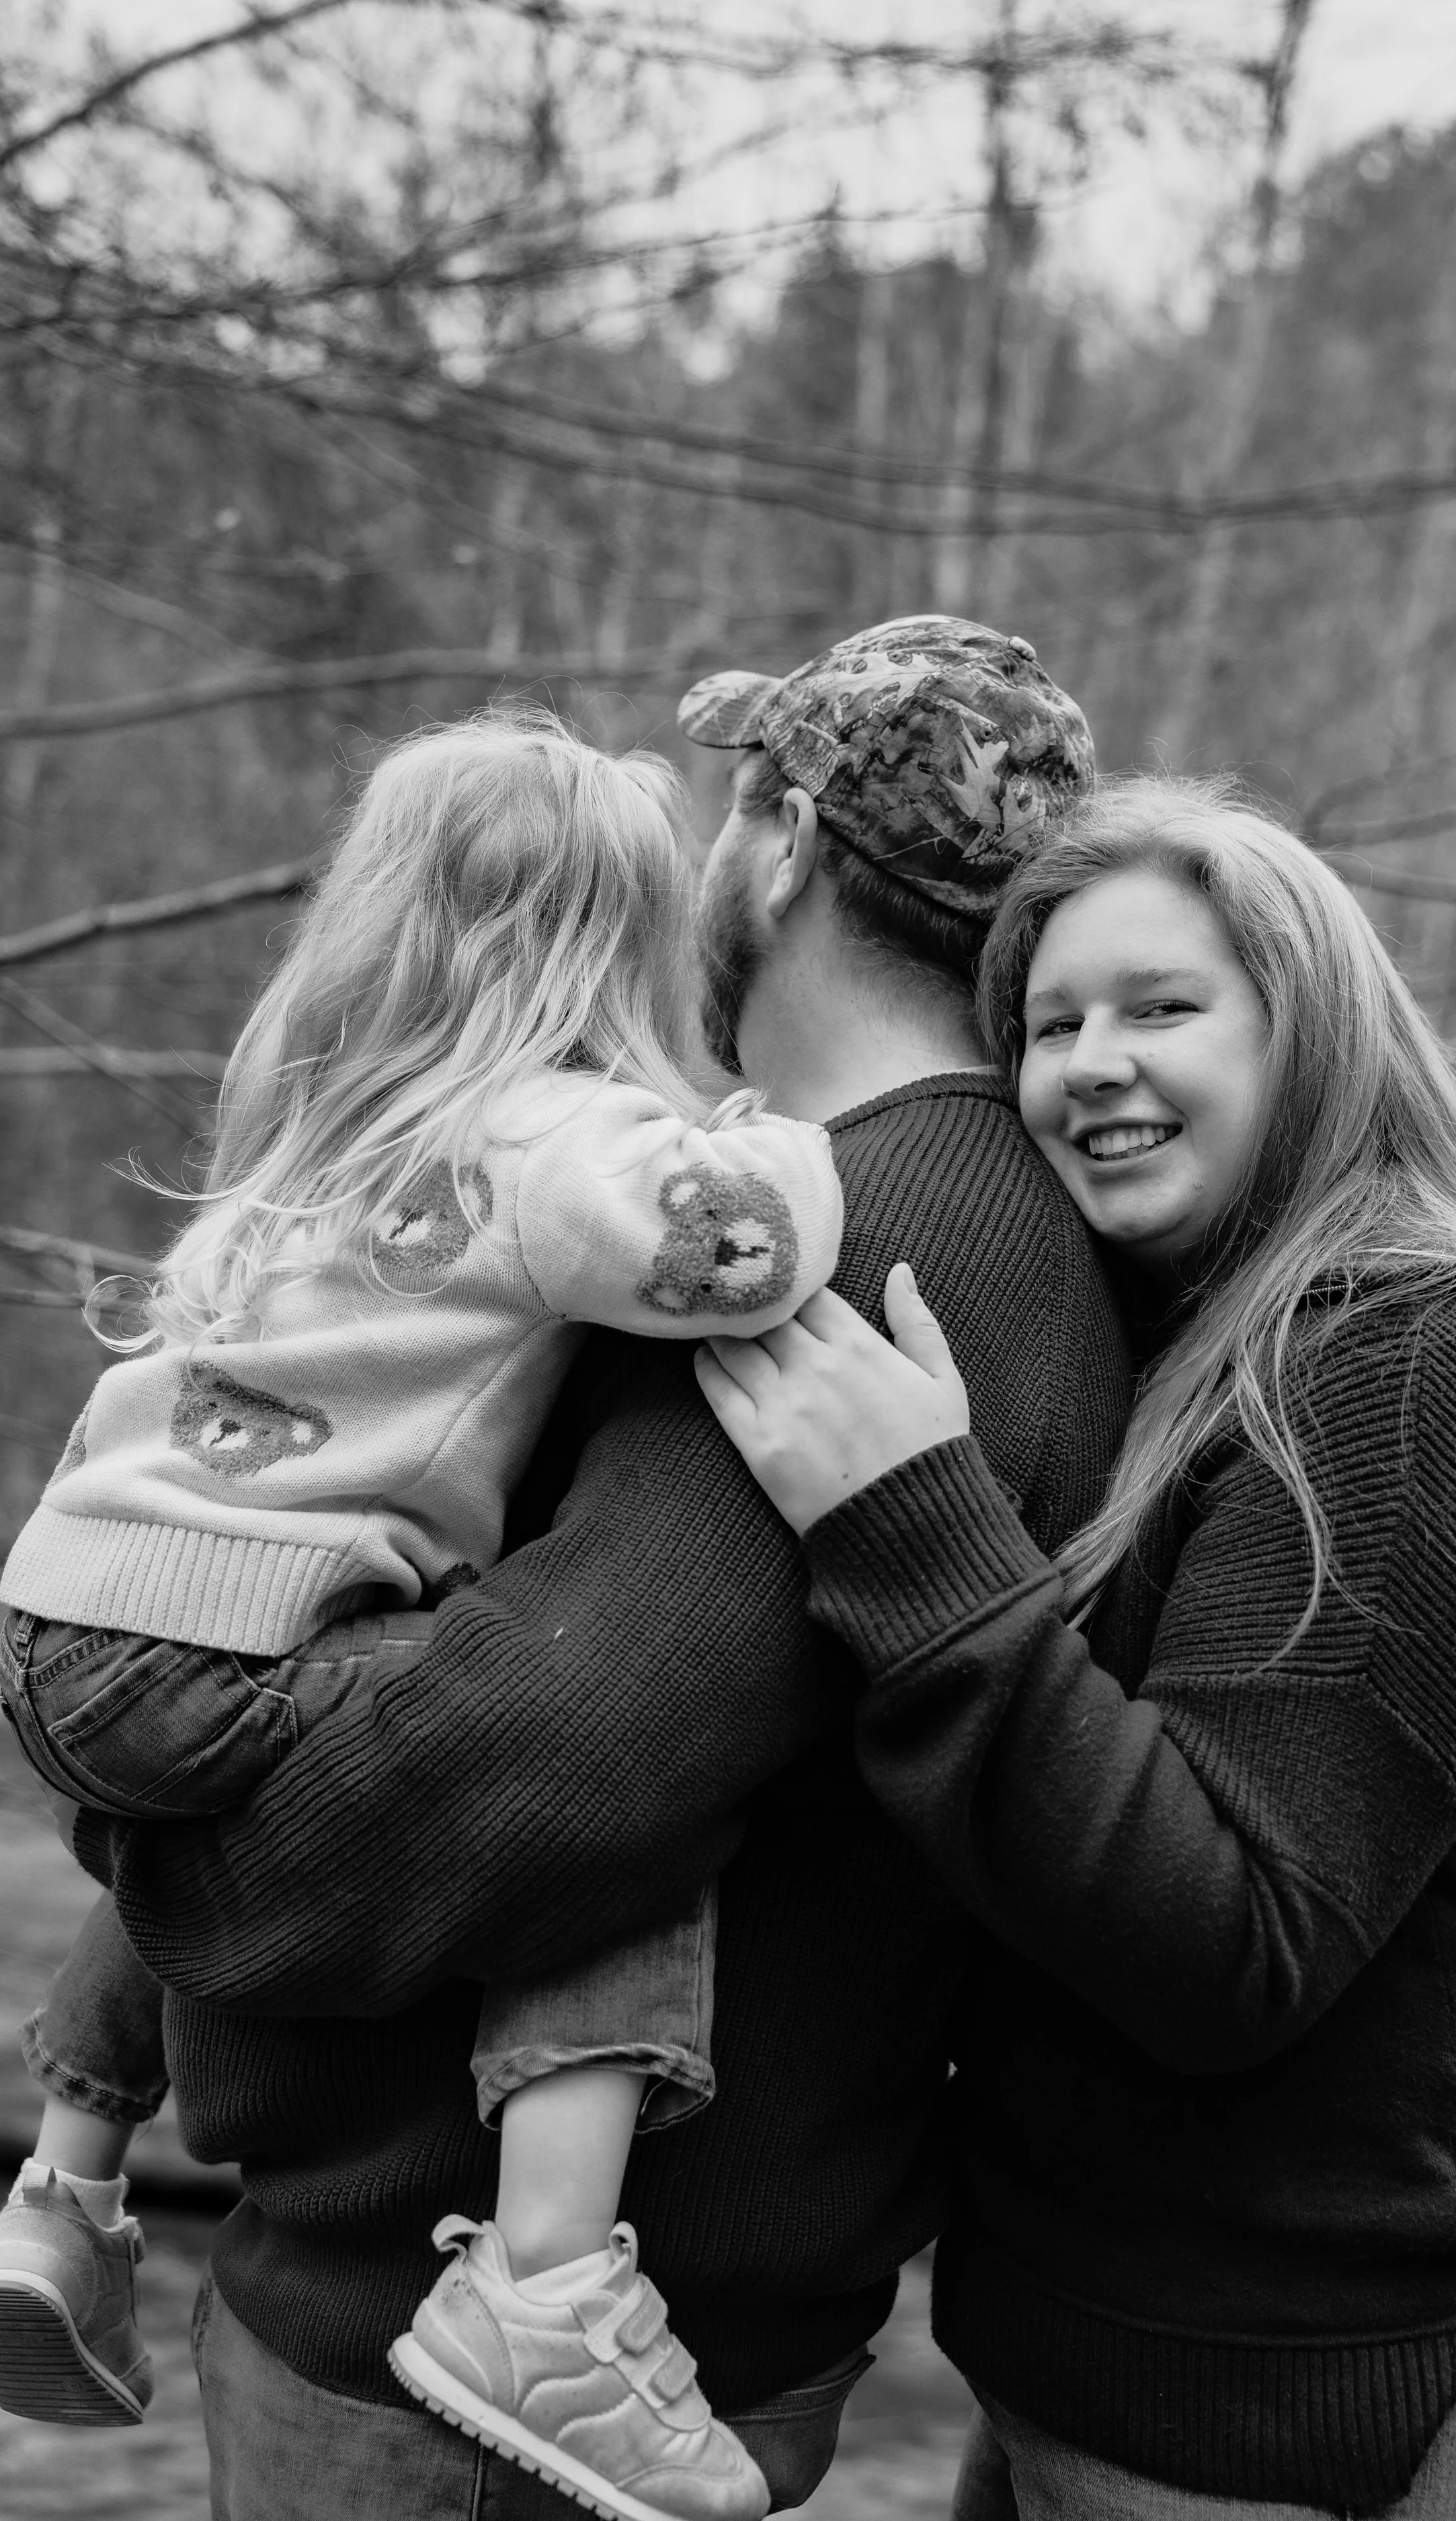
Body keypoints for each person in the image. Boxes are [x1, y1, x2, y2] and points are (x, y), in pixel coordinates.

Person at [52, 618, 1130, 2518]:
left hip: (483, 2389)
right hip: (503, 2323)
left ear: (778, 836)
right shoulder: (912, 1199)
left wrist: (155, 1828)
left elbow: (556, 1755)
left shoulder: (862, 1221)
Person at [697, 772, 1456, 2520]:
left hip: (1387, 2399)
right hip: (1118, 2366)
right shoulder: (1179, 1345)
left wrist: (909, 1530)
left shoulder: (1412, 1367)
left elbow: (1225, 1941)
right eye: (1050, 1022)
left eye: (1161, 1007)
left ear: (1309, 1036)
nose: (1090, 1062)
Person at [0, 711, 847, 2520]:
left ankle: (65, 2189)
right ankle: (539, 2275)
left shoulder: (315, 1132)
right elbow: (731, 1254)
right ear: (604, 948)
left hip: (69, 1629)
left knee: (188, 1834)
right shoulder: (545, 1134)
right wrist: (788, 1135)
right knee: (595, 1802)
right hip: (226, 1642)